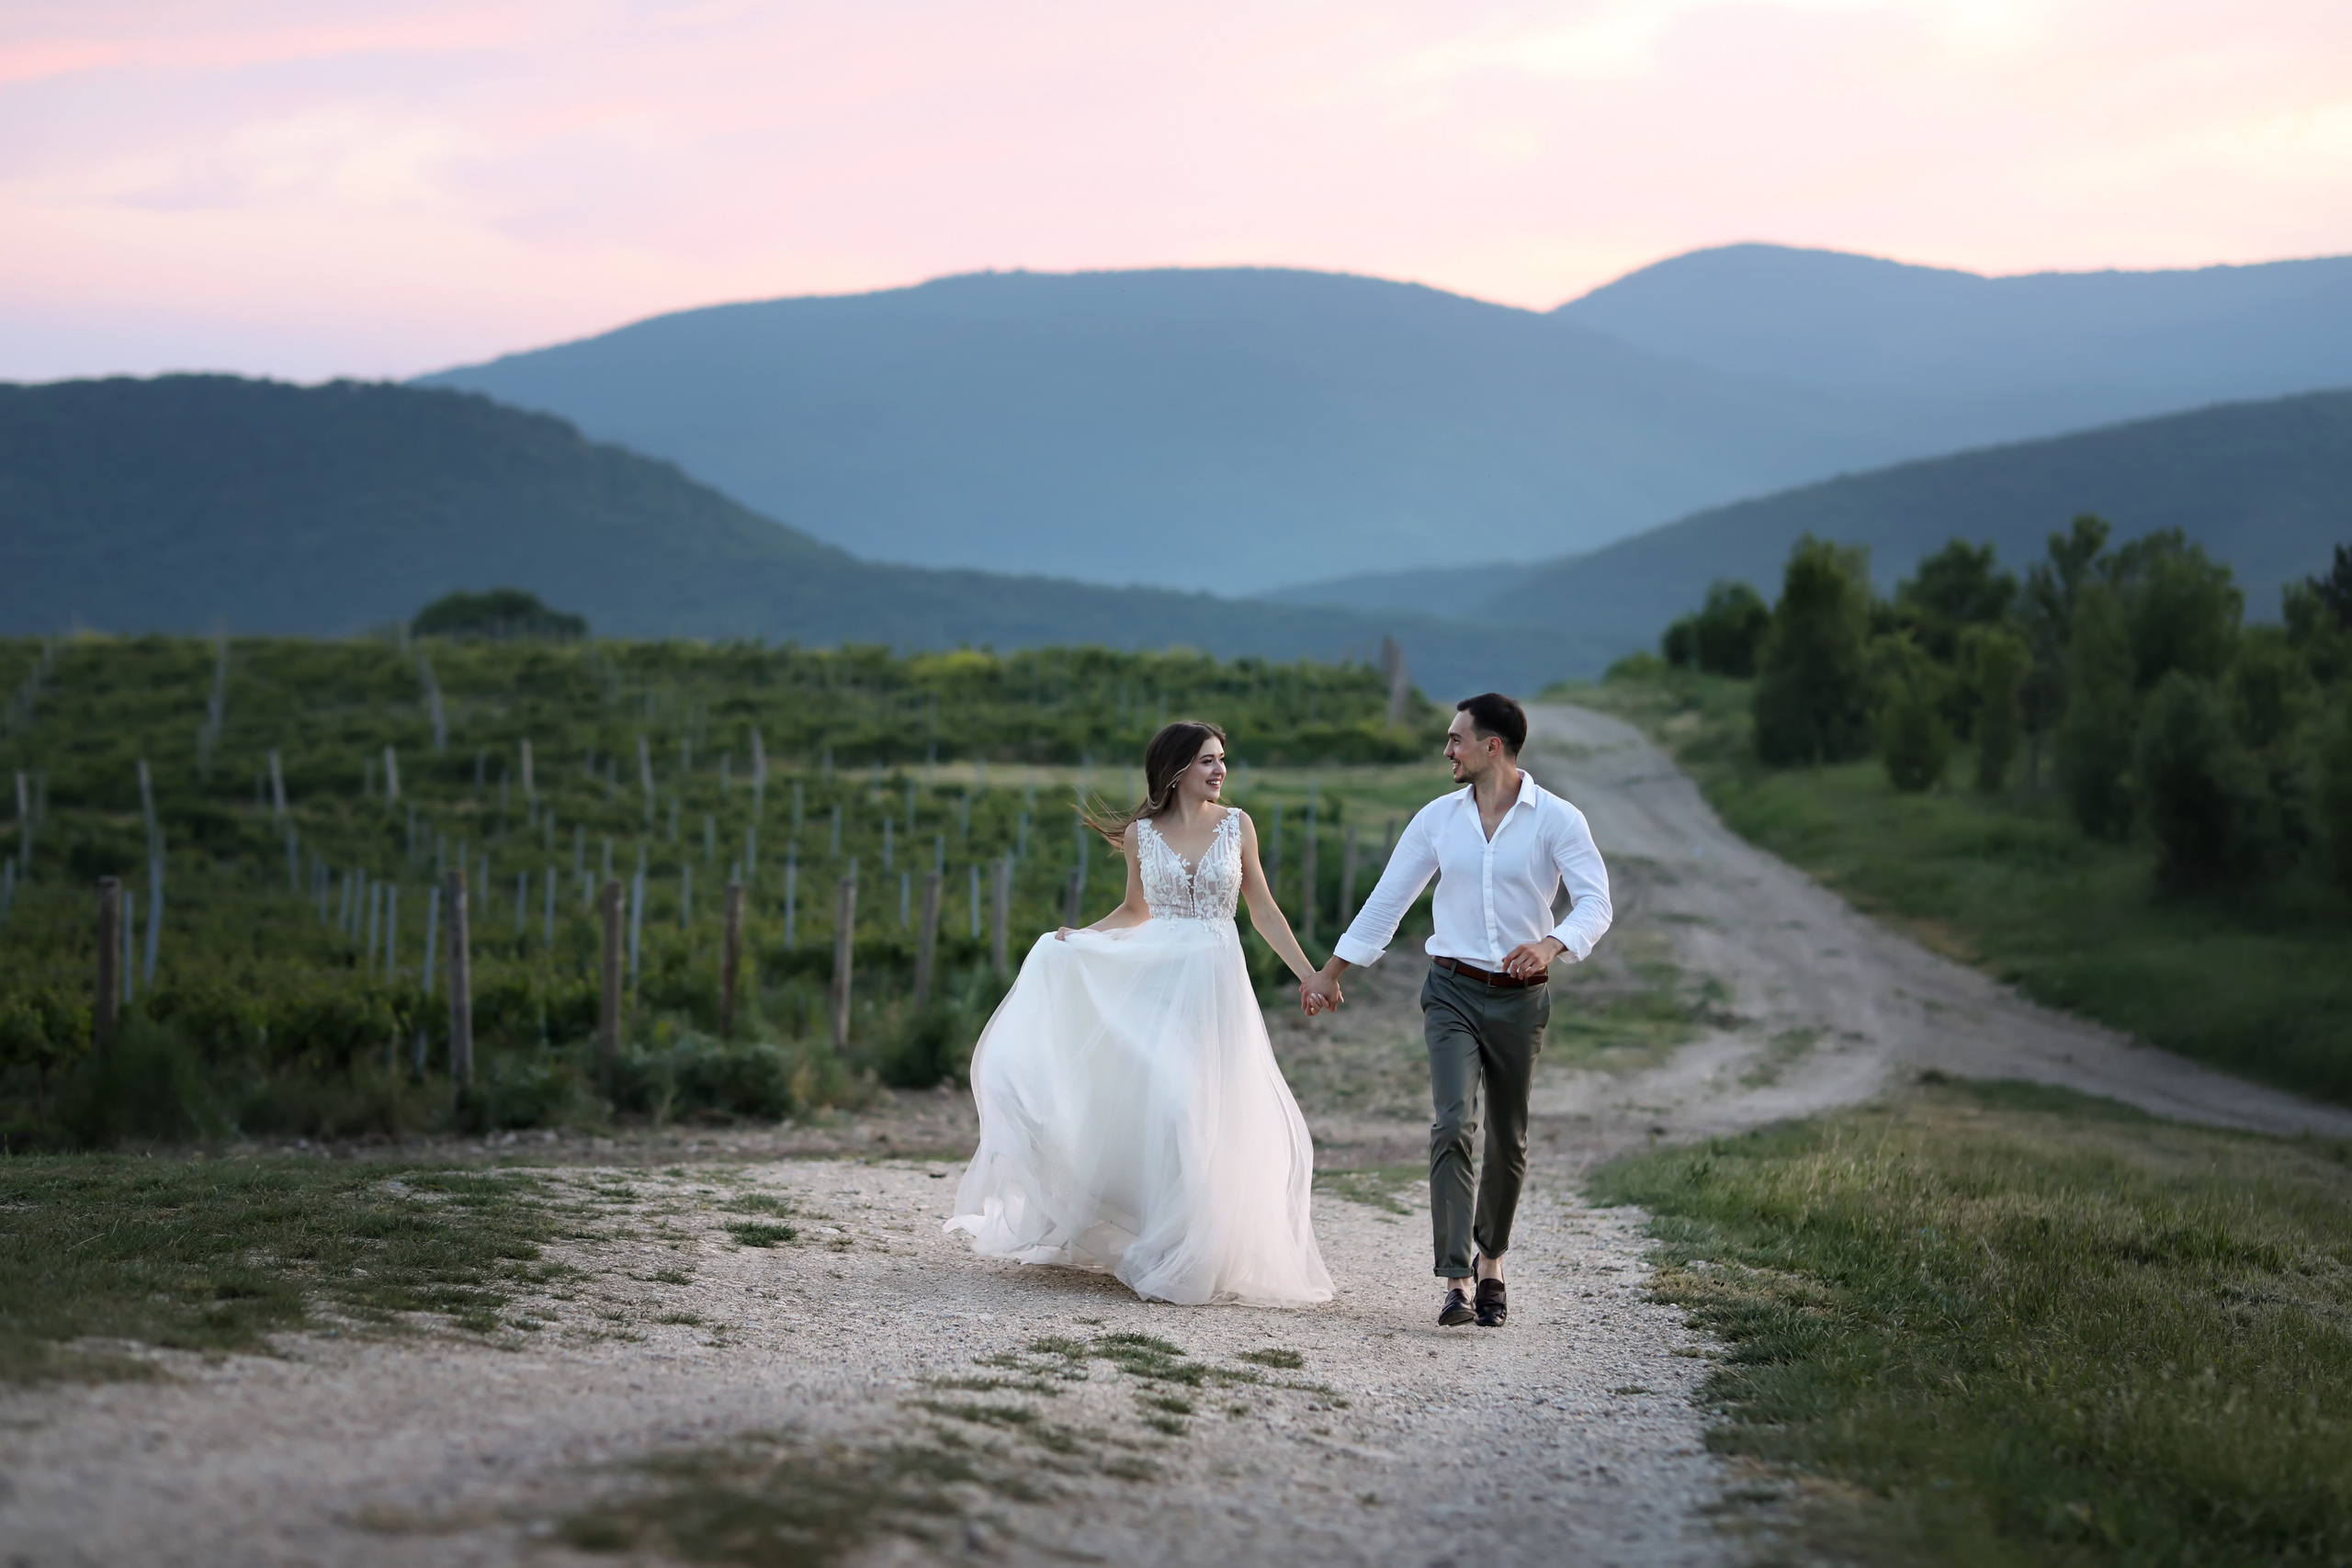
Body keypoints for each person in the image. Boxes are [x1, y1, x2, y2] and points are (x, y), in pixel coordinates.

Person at [944, 721, 1335, 1307]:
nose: (1220, 770)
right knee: (1171, 1104)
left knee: (1210, 1109)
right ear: (1177, 770)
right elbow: (1134, 910)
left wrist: (1310, 974)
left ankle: (1202, 1250)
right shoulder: (1141, 835)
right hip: (1155, 979)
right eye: (1207, 761)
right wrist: (1082, 938)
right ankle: (1166, 1241)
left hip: (1215, 984)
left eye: (1222, 759)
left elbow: (1263, 911)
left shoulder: (1238, 825)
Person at [1303, 693, 1611, 1328]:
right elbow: (1389, 900)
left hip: (1521, 1001)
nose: (1447, 749)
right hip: (1450, 991)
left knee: (1508, 1136)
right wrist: (1330, 973)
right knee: (1451, 1124)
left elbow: (1595, 903)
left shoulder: (1558, 819)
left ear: (1490, 746)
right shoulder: (1438, 819)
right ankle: (1456, 1278)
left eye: (1455, 739)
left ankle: (1492, 1259)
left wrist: (1552, 942)